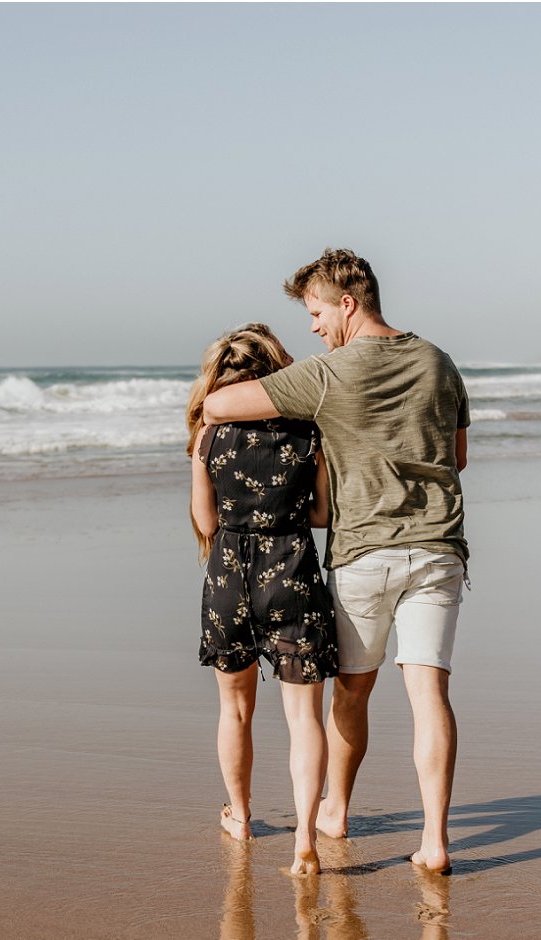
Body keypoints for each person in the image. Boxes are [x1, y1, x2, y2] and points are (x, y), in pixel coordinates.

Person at [202, 250, 469, 873]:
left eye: (317, 312)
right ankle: (434, 842)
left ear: (347, 302)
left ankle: (337, 810)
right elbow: (457, 456)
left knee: (351, 694)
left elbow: (219, 408)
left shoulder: (327, 373)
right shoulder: (439, 361)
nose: (316, 326)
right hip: (438, 548)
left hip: (361, 555)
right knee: (430, 694)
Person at [187, 323, 339, 875]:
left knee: (235, 709)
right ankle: (305, 839)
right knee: (305, 719)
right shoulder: (307, 431)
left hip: (228, 579)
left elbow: (206, 521)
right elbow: (322, 516)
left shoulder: (209, 437)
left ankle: (243, 816)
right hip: (292, 571)